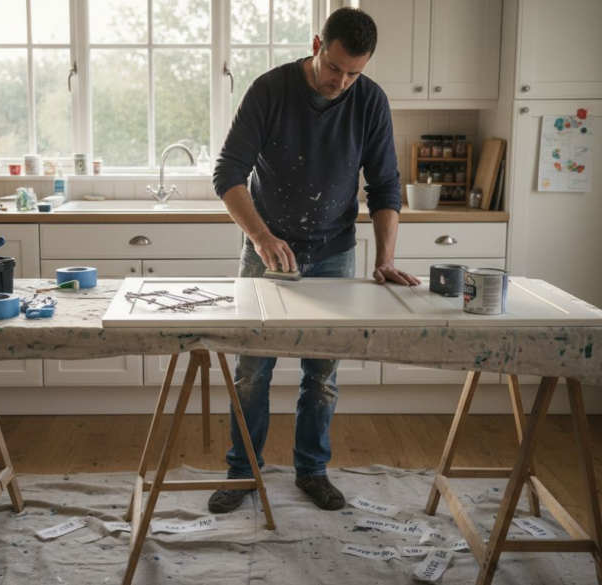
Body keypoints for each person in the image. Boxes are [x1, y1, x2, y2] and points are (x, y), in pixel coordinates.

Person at [209, 7, 420, 513]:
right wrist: (260, 237)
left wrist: (386, 256)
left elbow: (386, 185)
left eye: (354, 73)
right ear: (316, 45)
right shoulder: (270, 90)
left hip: (333, 253)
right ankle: (242, 474)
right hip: (267, 251)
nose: (341, 82)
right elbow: (227, 172)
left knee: (322, 374)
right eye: (335, 68)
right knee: (252, 372)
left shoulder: (369, 100)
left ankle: (312, 471)